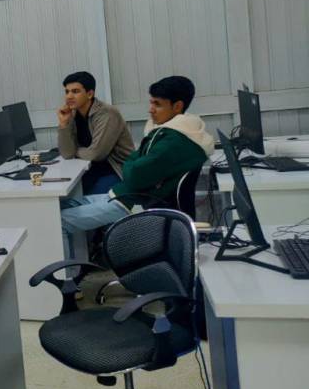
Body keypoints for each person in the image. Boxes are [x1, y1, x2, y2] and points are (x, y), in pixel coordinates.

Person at [60, 75, 214, 255]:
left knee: (58, 221)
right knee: (61, 206)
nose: (151, 110)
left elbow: (133, 174)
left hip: (131, 202)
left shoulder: (173, 142)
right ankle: (80, 263)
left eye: (157, 104)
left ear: (177, 106)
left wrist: (133, 163)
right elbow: (135, 159)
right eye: (151, 103)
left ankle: (70, 272)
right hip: (124, 194)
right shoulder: (167, 131)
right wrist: (134, 162)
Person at [57, 71, 135, 195]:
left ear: (90, 94)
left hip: (116, 170)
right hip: (89, 169)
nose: (69, 96)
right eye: (67, 92)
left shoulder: (107, 113)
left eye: (75, 91)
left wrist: (75, 151)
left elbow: (96, 154)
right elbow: (67, 153)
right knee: (66, 196)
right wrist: (64, 124)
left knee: (84, 201)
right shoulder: (73, 113)